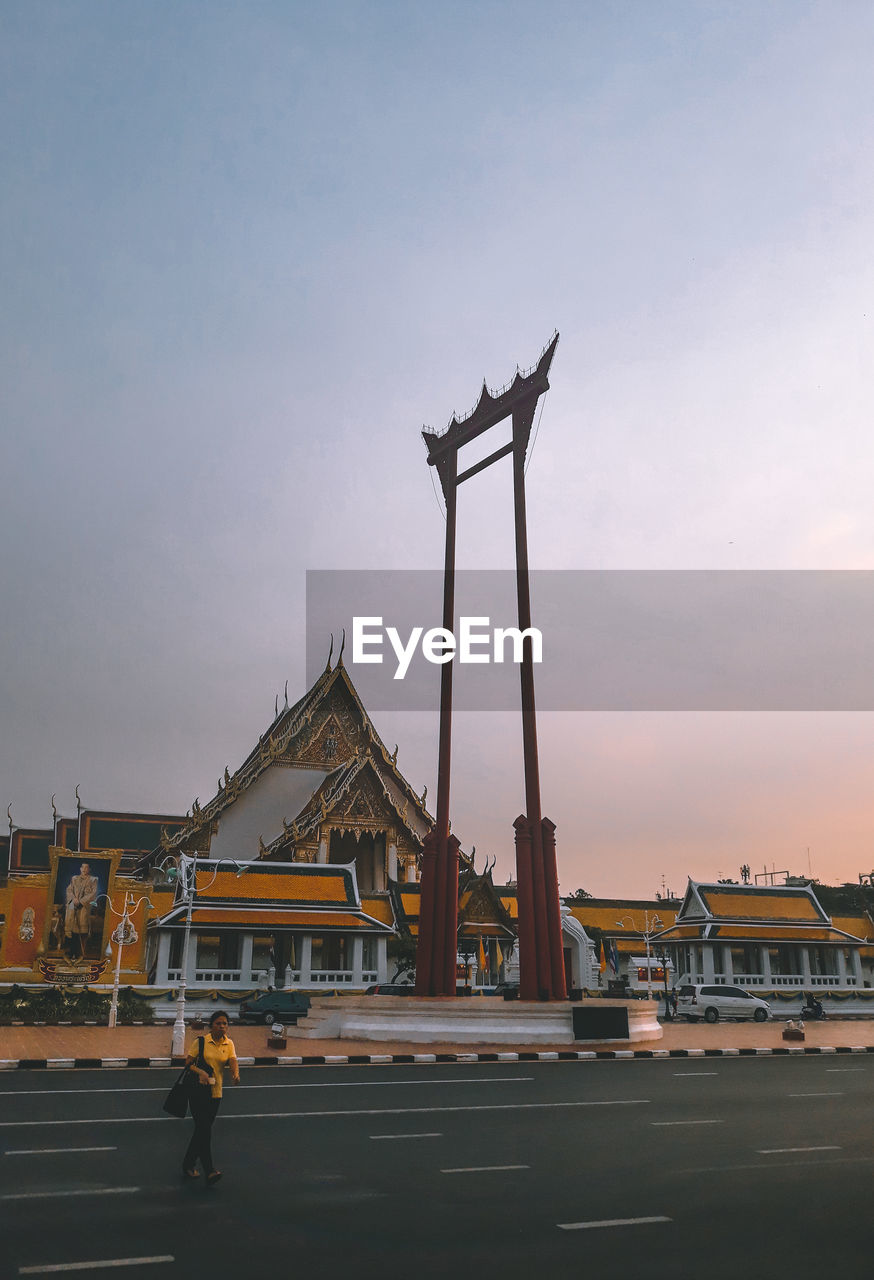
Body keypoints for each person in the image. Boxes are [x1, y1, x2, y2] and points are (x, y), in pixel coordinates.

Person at [181, 1009, 240, 1185]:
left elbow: (233, 1061)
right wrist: (201, 1072)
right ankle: (210, 1170)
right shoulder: (201, 1042)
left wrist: (235, 1075)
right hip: (198, 1092)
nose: (222, 1027)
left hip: (216, 1093)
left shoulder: (229, 1044)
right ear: (211, 1025)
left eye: (225, 1024)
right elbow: (188, 1064)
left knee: (201, 1131)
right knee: (204, 1131)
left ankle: (188, 1164)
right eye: (218, 1023)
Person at [64, 862, 98, 958]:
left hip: (84, 905)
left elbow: (93, 893)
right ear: (80, 869)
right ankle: (71, 951)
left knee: (81, 927)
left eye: (86, 867)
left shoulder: (93, 879)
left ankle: (80, 952)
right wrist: (73, 899)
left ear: (89, 869)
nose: (84, 869)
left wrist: (81, 901)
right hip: (72, 903)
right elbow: (69, 890)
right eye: (82, 867)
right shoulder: (74, 878)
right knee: (70, 924)